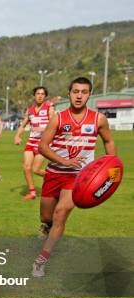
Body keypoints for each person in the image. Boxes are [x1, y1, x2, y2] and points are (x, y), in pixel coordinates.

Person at [32, 77, 116, 277]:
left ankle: (40, 261)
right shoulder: (58, 118)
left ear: (90, 95)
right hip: (54, 174)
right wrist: (63, 161)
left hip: (80, 177)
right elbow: (42, 146)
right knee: (46, 217)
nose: (79, 96)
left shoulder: (98, 119)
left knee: (61, 213)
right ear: (69, 93)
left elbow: (109, 141)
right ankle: (47, 228)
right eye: (75, 91)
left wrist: (111, 167)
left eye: (84, 92)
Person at [14, 86, 54, 200]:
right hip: (31, 142)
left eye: (42, 94)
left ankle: (55, 178)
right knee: (26, 167)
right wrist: (17, 136)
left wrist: (42, 129)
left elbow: (54, 125)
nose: (40, 96)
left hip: (43, 143)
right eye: (38, 93)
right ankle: (32, 193)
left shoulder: (49, 108)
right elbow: (23, 125)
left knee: (35, 170)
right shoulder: (30, 110)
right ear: (34, 96)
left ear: (45, 96)